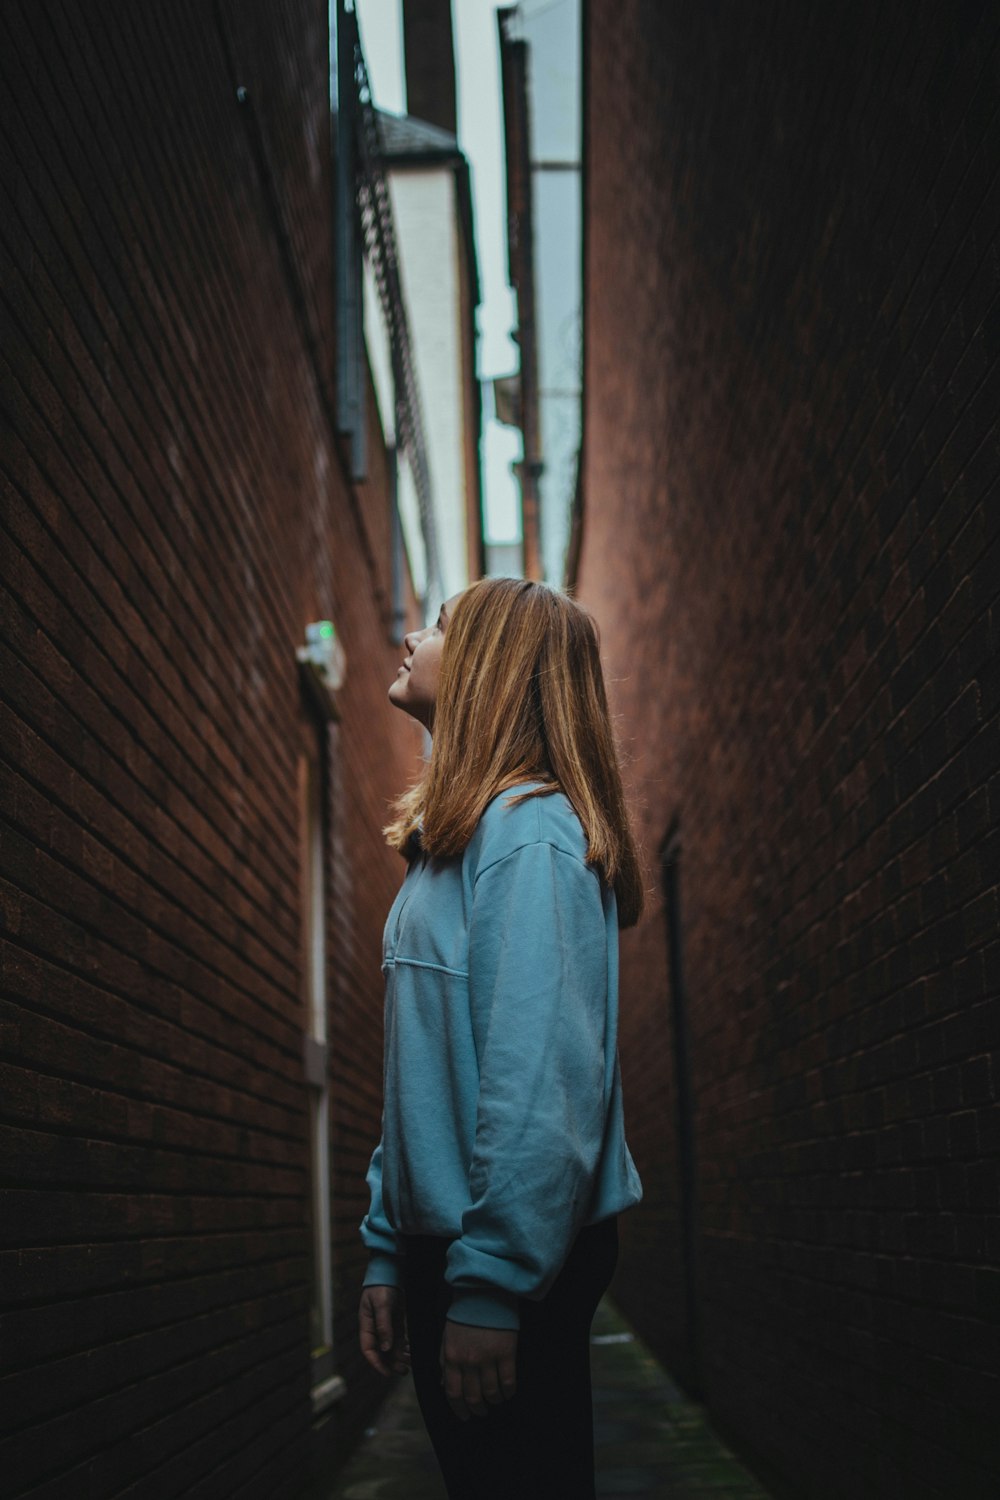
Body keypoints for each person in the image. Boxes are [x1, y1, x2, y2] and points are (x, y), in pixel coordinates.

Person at [358, 577, 645, 1499]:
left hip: (511, 1256)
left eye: (439, 625)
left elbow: (541, 1092)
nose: (412, 634)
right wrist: (383, 1246)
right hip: (449, 1244)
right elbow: (421, 1080)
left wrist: (491, 1286)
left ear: (489, 666)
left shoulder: (531, 839)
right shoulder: (450, 848)